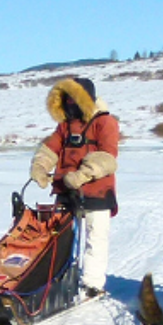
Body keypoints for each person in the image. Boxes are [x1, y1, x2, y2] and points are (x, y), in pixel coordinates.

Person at [30, 74, 119, 297]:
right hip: (67, 192)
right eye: (67, 100)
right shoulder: (64, 127)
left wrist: (81, 175)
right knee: (60, 237)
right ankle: (58, 277)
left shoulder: (105, 122)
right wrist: (40, 167)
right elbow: (50, 149)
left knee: (95, 237)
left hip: (97, 191)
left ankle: (92, 283)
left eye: (74, 99)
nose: (70, 104)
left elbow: (108, 157)